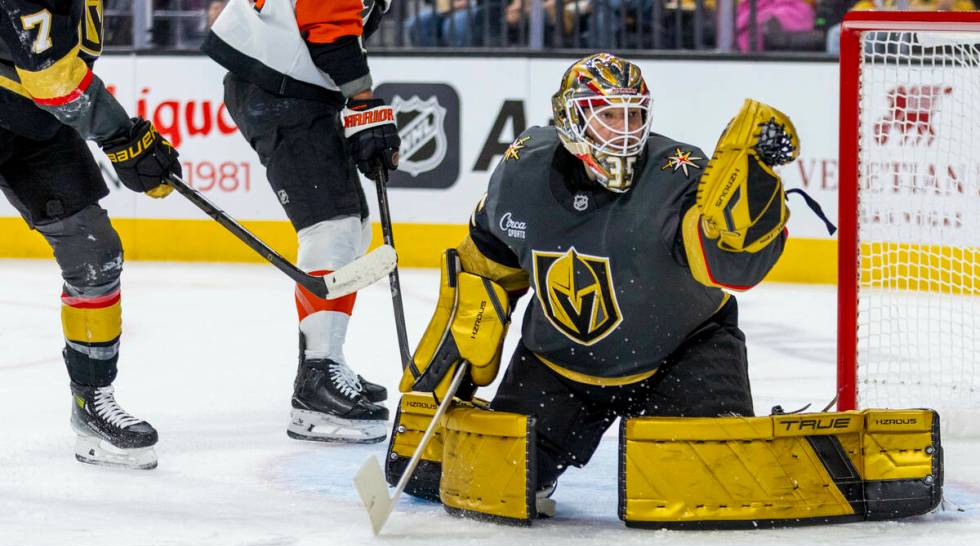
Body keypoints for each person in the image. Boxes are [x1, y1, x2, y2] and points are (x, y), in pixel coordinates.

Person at [403, 53, 799, 510]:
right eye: (609, 114)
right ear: (572, 116)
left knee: (709, 493)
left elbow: (729, 268)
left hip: (682, 353)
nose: (625, 128)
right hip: (560, 361)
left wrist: (753, 190)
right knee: (494, 485)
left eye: (634, 114)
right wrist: (439, 381)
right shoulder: (521, 170)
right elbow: (485, 276)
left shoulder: (678, 173)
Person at [203, 0, 400, 443]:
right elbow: (327, 21)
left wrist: (358, 102)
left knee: (353, 228)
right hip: (278, 87)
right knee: (333, 229)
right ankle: (316, 384)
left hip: (288, 83)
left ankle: (323, 361)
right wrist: (363, 99)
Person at [0, 0, 183, 468]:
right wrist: (122, 137)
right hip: (35, 98)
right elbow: (52, 76)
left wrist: (123, 138)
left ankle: (91, 405)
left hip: (31, 122)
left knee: (94, 254)